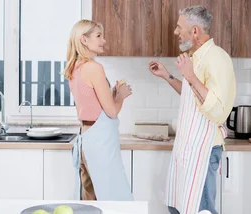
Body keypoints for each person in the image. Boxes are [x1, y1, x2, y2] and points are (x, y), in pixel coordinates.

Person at [148, 6, 236, 214]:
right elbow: (192, 96)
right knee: (178, 207)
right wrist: (168, 76)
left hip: (204, 149)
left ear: (195, 31)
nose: (175, 32)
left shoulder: (217, 58)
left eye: (179, 27)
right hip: (188, 146)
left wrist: (190, 76)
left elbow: (217, 109)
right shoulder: (195, 57)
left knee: (201, 210)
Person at [65, 19, 134, 201]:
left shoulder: (75, 68)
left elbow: (93, 105)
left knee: (91, 199)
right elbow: (111, 112)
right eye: (98, 36)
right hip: (100, 142)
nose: (103, 40)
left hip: (87, 137)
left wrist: (112, 95)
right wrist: (120, 95)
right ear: (84, 40)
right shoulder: (94, 68)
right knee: (115, 200)